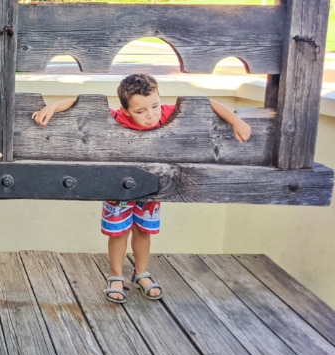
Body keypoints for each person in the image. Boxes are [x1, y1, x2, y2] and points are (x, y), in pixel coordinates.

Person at [32, 73, 251, 304]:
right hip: (118, 187)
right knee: (118, 233)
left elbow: (206, 105)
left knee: (144, 231)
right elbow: (81, 106)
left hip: (151, 187)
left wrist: (236, 121)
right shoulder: (116, 118)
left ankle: (141, 272)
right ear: (125, 111)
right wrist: (54, 106)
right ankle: (115, 275)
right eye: (140, 111)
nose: (151, 116)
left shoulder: (167, 114)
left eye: (154, 106)